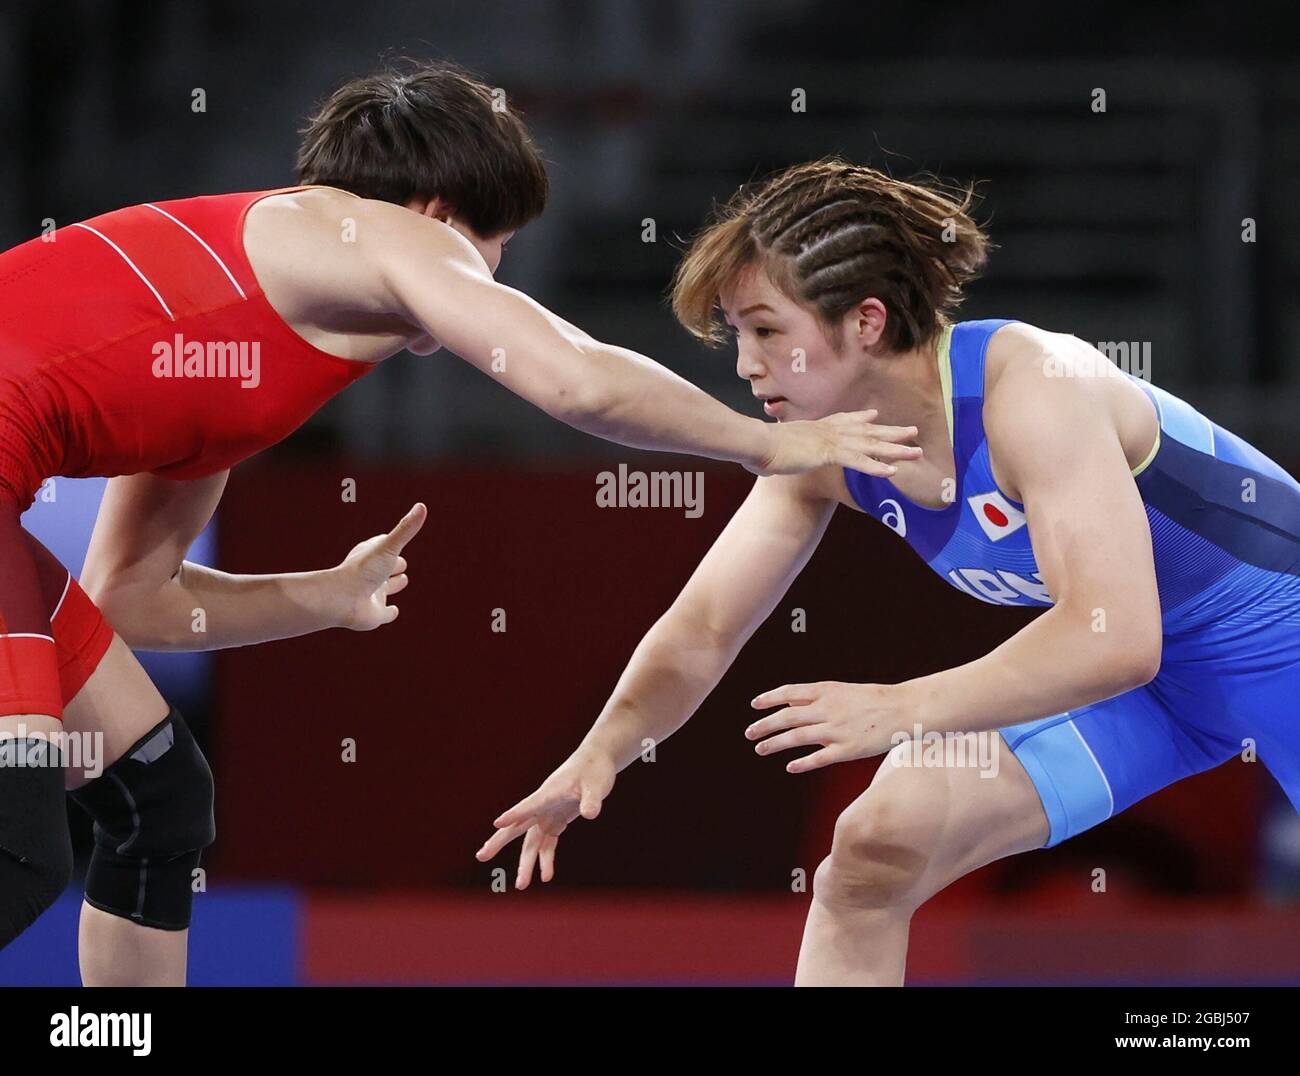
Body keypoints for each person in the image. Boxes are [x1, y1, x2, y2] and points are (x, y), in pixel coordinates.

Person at [0, 67, 914, 984]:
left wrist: (322, 597)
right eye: (493, 248)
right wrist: (769, 444)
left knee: (156, 797)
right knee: (19, 846)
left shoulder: (238, 337)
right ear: (437, 218)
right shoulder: (375, 230)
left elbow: (136, 598)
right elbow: (577, 379)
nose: (494, 280)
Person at [478, 157, 1300, 986]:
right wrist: (603, 751)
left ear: (865, 322)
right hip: (1148, 694)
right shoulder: (822, 451)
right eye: (738, 335)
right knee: (873, 856)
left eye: (767, 331)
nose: (745, 366)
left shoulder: (1034, 391)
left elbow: (1117, 636)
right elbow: (704, 629)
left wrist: (901, 708)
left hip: (1280, 645)